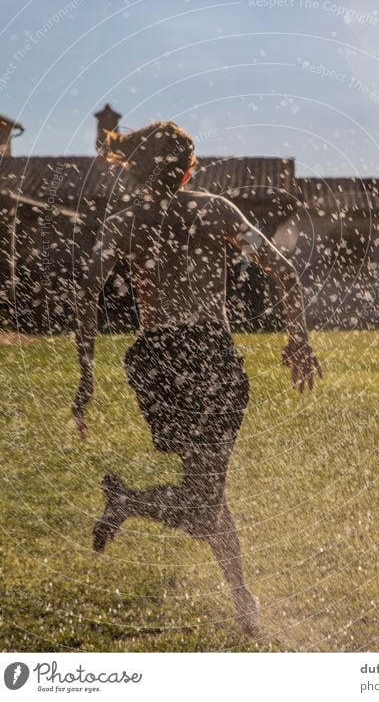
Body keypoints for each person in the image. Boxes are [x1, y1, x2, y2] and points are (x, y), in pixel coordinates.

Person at [72, 121, 321, 636]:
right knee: (207, 494)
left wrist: (86, 377)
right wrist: (298, 339)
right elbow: (284, 272)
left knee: (207, 492)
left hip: (157, 361)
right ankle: (132, 504)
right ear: (190, 170)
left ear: (137, 170)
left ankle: (240, 596)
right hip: (210, 356)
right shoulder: (215, 210)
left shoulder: (125, 222)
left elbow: (86, 295)